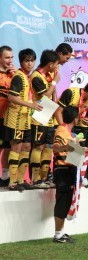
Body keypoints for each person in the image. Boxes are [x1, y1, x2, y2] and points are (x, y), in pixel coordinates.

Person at [54, 78, 88, 187]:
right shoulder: (70, 93)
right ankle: (77, 176)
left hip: (75, 125)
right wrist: (64, 129)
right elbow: (58, 112)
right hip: (62, 125)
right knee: (73, 149)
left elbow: (82, 113)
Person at [4, 48, 42, 191]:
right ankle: (12, 182)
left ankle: (21, 179)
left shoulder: (28, 77)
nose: (30, 64)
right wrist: (30, 104)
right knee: (16, 147)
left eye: (32, 60)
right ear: (21, 62)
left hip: (26, 119)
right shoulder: (18, 76)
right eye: (27, 61)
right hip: (15, 119)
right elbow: (12, 97)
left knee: (26, 147)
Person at [30, 50, 60, 188]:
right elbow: (44, 97)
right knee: (38, 147)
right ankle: (36, 179)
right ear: (50, 64)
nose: (57, 67)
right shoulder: (36, 76)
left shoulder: (46, 76)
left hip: (48, 116)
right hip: (38, 116)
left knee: (48, 147)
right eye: (56, 64)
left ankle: (44, 177)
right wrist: (54, 82)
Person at [52, 106, 80, 243]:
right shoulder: (61, 131)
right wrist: (65, 147)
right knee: (62, 202)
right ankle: (57, 235)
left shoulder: (68, 132)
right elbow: (55, 148)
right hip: (62, 170)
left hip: (69, 170)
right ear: (75, 119)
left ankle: (61, 233)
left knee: (66, 201)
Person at [0, 45, 16, 187]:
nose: (10, 60)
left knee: (8, 147)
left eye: (11, 57)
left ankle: (5, 177)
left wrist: (16, 76)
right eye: (6, 57)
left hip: (9, 118)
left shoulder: (15, 75)